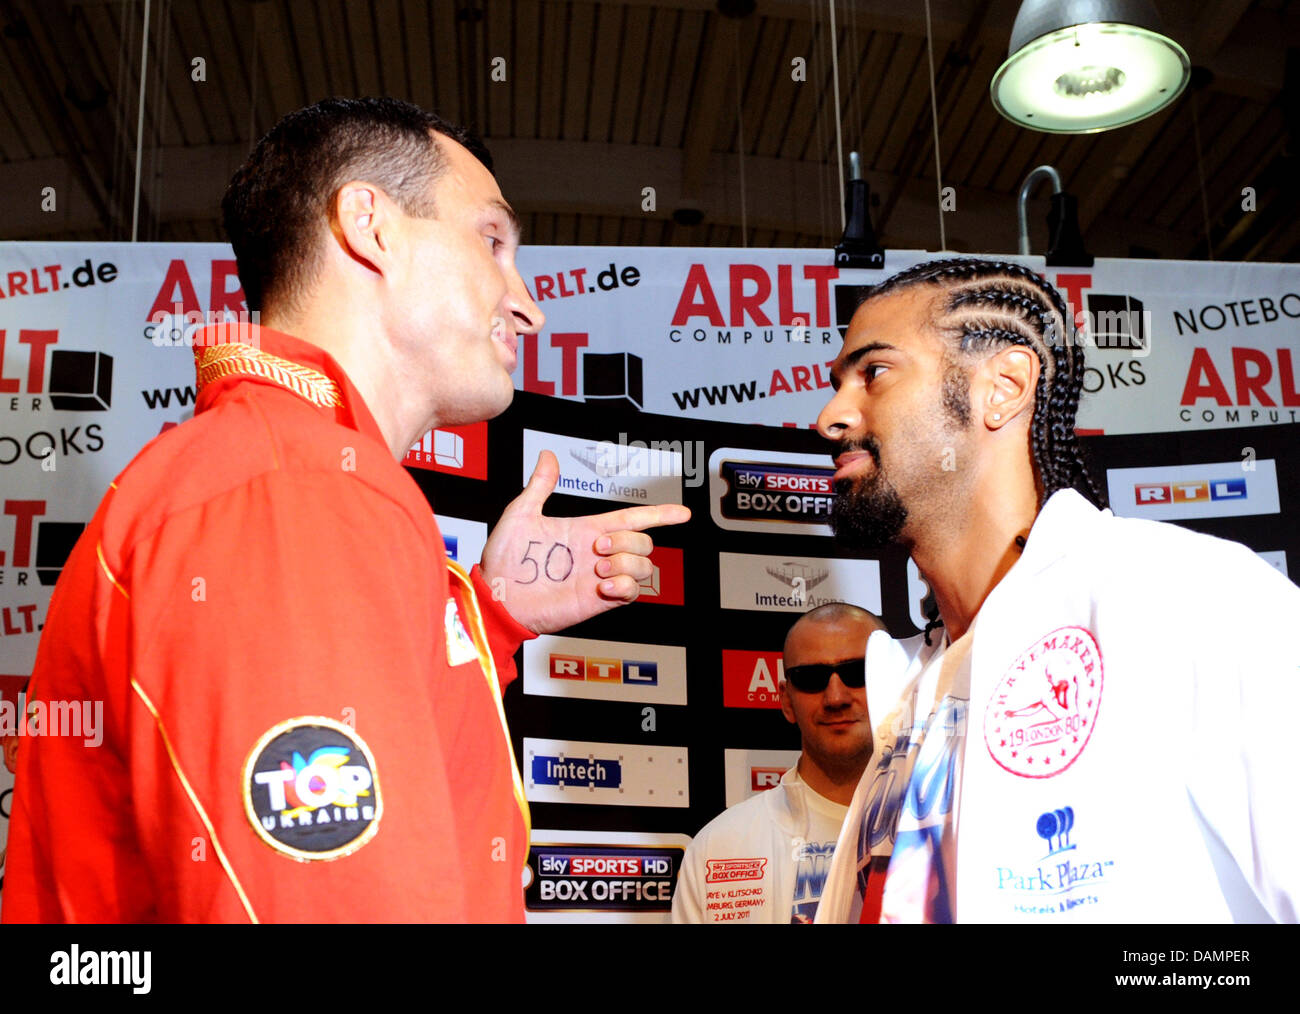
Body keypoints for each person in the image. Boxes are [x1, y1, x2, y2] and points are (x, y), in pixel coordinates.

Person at [1, 97, 688, 923]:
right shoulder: (290, 487)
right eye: (493, 242)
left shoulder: (278, 471)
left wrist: (487, 615)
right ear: (370, 226)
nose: (527, 304)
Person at [811, 257, 1300, 924]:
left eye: (873, 374)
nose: (830, 416)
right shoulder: (912, 696)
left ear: (1004, 387)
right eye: (839, 383)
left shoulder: (1190, 597)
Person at [672, 603, 888, 923]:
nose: (836, 697)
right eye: (811, 678)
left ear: (894, 682)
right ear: (787, 700)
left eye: (858, 672)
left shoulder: (943, 828)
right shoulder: (719, 846)